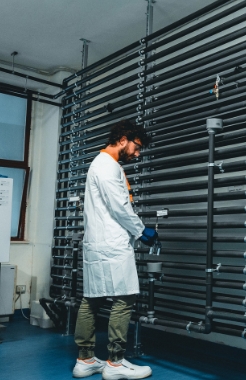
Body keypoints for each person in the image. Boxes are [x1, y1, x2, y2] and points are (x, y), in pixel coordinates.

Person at [73, 119, 156, 380]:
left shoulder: (100, 164)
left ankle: (85, 359)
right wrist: (142, 231)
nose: (137, 154)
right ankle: (116, 363)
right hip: (112, 244)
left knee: (92, 299)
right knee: (124, 298)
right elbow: (120, 207)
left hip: (98, 244)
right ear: (122, 140)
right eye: (137, 147)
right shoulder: (108, 166)